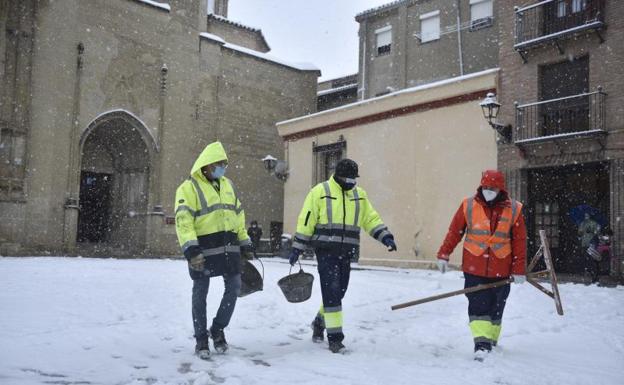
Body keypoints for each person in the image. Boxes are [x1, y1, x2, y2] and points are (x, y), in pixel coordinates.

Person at [287, 158, 397, 353]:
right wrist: (298, 247)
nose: (352, 182)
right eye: (349, 178)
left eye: (355, 178)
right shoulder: (320, 192)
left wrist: (385, 236)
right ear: (338, 176)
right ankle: (335, 338)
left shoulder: (359, 195)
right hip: (326, 251)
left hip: (347, 252)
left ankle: (319, 322)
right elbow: (307, 220)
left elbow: (370, 218)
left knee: (339, 292)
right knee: (331, 293)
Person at [174, 141, 254, 360]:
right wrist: (191, 250)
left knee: (235, 286)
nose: (222, 168)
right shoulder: (187, 188)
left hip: (229, 249)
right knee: (201, 292)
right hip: (203, 252)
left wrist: (245, 242)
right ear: (206, 165)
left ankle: (218, 328)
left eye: (224, 165)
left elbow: (238, 216)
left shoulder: (228, 185)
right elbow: (183, 222)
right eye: (218, 164)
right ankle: (201, 339)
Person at [436, 170, 526, 361]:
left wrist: (519, 269)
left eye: (492, 188)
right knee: (478, 305)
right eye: (485, 187)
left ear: (500, 189)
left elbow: (519, 241)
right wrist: (444, 254)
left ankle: (491, 339)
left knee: (497, 307)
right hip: (474, 268)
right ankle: (481, 344)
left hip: (502, 269)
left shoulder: (515, 209)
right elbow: (455, 232)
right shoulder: (468, 205)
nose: (488, 191)